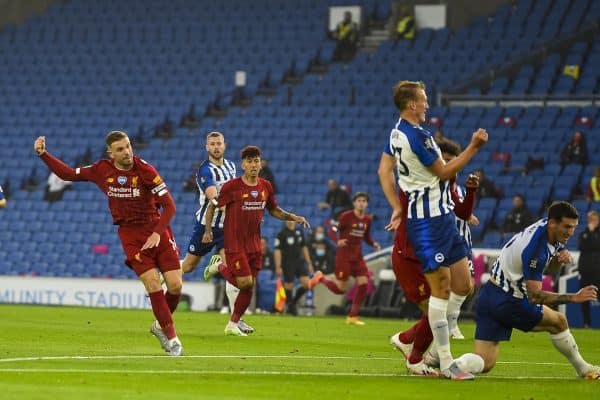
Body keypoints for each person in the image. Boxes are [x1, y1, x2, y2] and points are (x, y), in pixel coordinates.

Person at [33, 132, 184, 356]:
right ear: (110, 153)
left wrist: (156, 233)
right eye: (121, 149)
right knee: (153, 282)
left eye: (128, 146)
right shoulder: (101, 170)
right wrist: (43, 154)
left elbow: (170, 206)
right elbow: (67, 174)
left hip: (157, 229)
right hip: (131, 234)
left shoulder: (145, 170)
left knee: (175, 286)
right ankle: (173, 340)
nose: (127, 152)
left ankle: (160, 326)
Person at [377, 80, 488, 380]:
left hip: (443, 218)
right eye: (424, 99)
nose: (427, 104)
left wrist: (396, 205)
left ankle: (413, 341)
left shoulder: (397, 131)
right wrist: (474, 147)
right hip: (427, 223)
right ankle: (445, 360)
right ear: (412, 104)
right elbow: (444, 171)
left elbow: (382, 170)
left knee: (464, 285)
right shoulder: (417, 135)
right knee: (441, 292)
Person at [454, 202, 600, 380]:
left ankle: (455, 364)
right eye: (567, 227)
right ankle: (584, 369)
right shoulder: (535, 250)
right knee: (558, 321)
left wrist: (557, 260)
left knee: (485, 362)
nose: (571, 232)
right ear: (553, 223)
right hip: (510, 301)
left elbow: (548, 267)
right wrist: (574, 298)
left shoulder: (546, 228)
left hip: (489, 295)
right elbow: (535, 296)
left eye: (574, 227)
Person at [383, 138, 480, 376]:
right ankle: (418, 358)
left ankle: (408, 340)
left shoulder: (450, 181)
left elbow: (463, 212)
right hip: (409, 255)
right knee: (435, 310)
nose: (446, 166)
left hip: (435, 251)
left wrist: (471, 191)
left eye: (449, 162)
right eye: (442, 161)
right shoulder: (416, 182)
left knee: (458, 293)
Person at [202, 145, 310, 336]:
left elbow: (274, 210)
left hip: (254, 243)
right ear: (243, 165)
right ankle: (219, 266)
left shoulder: (265, 186)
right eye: (249, 161)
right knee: (244, 283)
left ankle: (233, 324)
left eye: (256, 161)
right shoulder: (232, 187)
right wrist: (208, 230)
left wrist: (294, 217)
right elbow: (212, 206)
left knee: (250, 285)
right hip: (235, 242)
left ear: (260, 165)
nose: (253, 164)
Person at [179, 132, 253, 334]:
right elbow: (215, 198)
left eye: (219, 143)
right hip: (206, 226)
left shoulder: (230, 166)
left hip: (227, 227)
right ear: (207, 147)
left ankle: (236, 320)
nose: (216, 147)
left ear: (224, 145)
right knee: (188, 266)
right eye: (212, 144)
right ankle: (164, 273)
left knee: (235, 272)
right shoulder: (205, 170)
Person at [309, 192, 381, 325]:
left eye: (364, 201)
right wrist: (337, 240)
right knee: (341, 289)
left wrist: (373, 244)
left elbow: (366, 237)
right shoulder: (346, 217)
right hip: (344, 257)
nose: (361, 203)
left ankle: (352, 316)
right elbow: (332, 230)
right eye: (359, 200)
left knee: (364, 284)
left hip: (357, 257)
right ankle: (321, 278)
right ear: (354, 203)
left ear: (367, 204)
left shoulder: (367, 220)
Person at [274, 220, 314, 315]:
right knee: (289, 285)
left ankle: (293, 302)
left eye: (292, 220)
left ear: (296, 221)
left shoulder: (299, 232)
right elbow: (277, 251)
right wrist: (278, 266)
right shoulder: (281, 234)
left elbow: (304, 247)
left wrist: (309, 263)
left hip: (299, 261)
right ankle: (290, 306)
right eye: (288, 219)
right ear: (285, 221)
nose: (291, 222)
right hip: (287, 262)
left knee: (307, 284)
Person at [578, 210, 600, 328]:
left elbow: (596, 246)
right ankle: (587, 323)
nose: (592, 222)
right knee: (584, 298)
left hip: (597, 271)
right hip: (585, 270)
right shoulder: (583, 233)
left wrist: (591, 234)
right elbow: (582, 247)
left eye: (594, 220)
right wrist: (589, 234)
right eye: (590, 220)